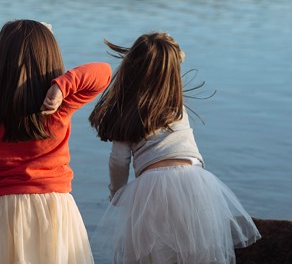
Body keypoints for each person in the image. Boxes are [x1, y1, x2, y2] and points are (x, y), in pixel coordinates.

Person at [88, 32, 260, 264]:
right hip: (195, 182)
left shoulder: (126, 111)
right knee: (193, 252)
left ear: (130, 68)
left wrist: (117, 193)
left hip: (150, 187)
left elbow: (119, 160)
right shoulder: (178, 108)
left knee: (150, 254)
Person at [0, 19, 111, 264]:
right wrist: (62, 87)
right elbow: (103, 72)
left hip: (5, 211)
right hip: (55, 207)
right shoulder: (59, 108)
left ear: (0, 62)